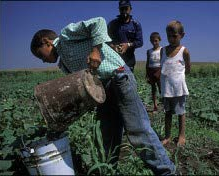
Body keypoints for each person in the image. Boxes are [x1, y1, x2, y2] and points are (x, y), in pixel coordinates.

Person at [30, 17, 176, 175]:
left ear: (47, 42)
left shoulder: (66, 36)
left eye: (40, 55)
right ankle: (108, 171)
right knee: (107, 135)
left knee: (137, 130)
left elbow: (98, 22)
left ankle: (167, 172)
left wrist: (95, 50)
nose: (43, 61)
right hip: (103, 91)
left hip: (119, 78)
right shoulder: (63, 64)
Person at [160, 20, 191, 146]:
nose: (171, 39)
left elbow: (188, 68)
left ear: (182, 35)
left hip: (178, 88)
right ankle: (167, 136)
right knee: (167, 113)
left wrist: (180, 77)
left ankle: (181, 136)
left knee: (180, 112)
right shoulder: (163, 50)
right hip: (166, 88)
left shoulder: (184, 51)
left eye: (174, 36)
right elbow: (162, 66)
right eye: (169, 36)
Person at [107, 0, 143, 72]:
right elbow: (106, 40)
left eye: (126, 8)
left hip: (129, 59)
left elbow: (140, 42)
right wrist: (113, 46)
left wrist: (128, 45)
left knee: (128, 80)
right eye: (122, 9)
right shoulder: (112, 24)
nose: (124, 11)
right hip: (114, 59)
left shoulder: (136, 24)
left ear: (130, 9)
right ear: (119, 10)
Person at [146, 32, 162, 112]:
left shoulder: (162, 50)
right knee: (153, 89)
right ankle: (155, 106)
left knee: (161, 88)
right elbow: (147, 62)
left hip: (159, 70)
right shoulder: (149, 51)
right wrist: (147, 73)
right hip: (151, 70)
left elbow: (164, 61)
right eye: (152, 41)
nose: (154, 42)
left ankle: (165, 105)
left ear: (159, 40)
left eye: (156, 40)